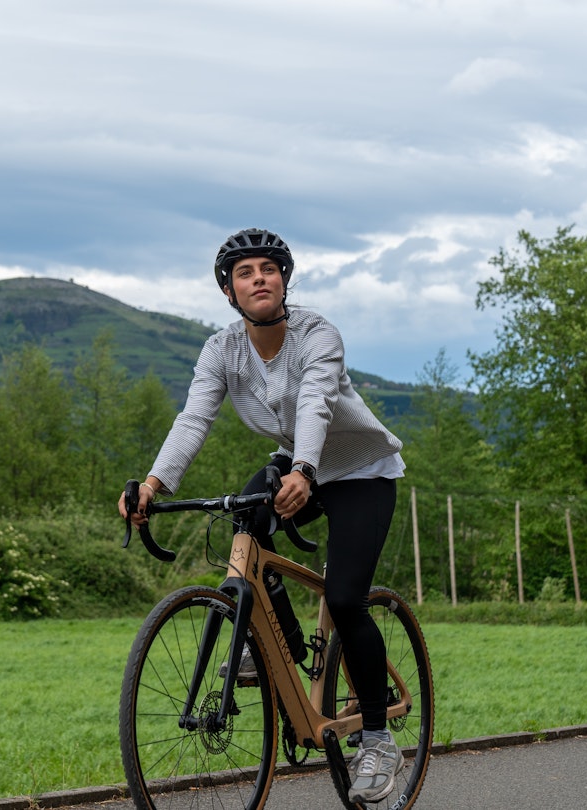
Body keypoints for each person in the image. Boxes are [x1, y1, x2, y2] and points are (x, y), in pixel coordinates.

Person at [118, 227, 406, 803]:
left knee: (346, 598)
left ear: (284, 280)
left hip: (359, 470)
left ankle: (377, 738)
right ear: (229, 291)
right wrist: (152, 483)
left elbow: (316, 401)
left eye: (268, 270)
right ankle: (266, 642)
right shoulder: (221, 348)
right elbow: (194, 417)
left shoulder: (317, 333)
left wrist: (305, 469)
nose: (259, 279)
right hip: (293, 462)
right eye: (245, 273)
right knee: (244, 524)